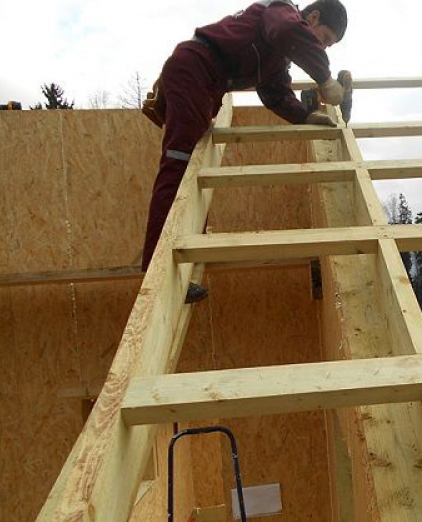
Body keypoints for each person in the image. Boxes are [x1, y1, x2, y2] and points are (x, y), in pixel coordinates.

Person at [141, 0, 348, 303]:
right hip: (193, 71)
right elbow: (288, 30)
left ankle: (179, 272)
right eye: (326, 39)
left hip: (204, 84)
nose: (324, 48)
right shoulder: (282, 11)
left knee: (192, 177)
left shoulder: (277, 56)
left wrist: (306, 117)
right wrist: (325, 78)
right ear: (313, 17)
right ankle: (156, 275)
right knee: (178, 168)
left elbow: (275, 93)